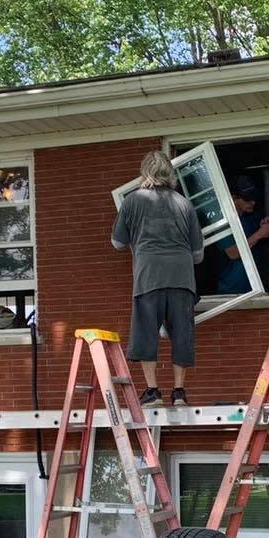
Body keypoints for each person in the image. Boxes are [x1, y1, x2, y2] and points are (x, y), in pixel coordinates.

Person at [111, 151, 204, 407]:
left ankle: (152, 391)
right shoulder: (184, 204)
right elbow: (198, 255)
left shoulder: (132, 201)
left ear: (145, 172)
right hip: (182, 276)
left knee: (146, 332)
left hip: (149, 274)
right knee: (181, 333)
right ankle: (179, 392)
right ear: (169, 173)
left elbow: (117, 243)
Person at [216, 174, 269, 293]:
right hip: (231, 292)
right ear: (234, 199)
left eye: (254, 198)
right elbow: (233, 253)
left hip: (259, 289)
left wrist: (266, 229)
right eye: (247, 199)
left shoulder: (254, 217)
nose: (253, 202)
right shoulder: (223, 222)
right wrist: (259, 234)